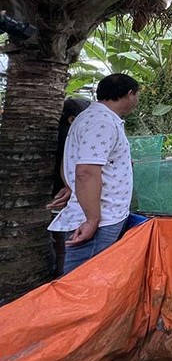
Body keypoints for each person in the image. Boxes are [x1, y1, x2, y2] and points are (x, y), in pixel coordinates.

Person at [46, 74, 140, 274]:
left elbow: (70, 162)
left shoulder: (90, 117)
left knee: (89, 279)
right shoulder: (102, 121)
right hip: (100, 218)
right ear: (130, 94)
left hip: (99, 214)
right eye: (138, 95)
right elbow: (86, 172)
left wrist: (71, 187)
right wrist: (92, 219)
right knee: (83, 282)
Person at [49, 97, 91, 276]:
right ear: (72, 119)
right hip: (67, 194)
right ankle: (63, 274)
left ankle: (58, 271)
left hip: (57, 191)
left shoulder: (59, 133)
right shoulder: (71, 135)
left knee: (58, 239)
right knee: (68, 240)